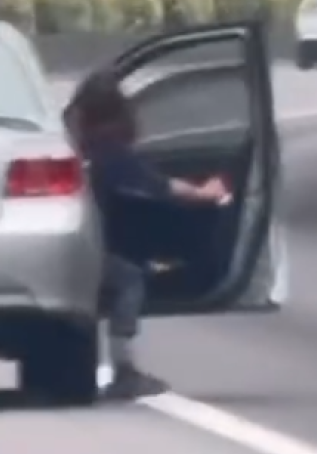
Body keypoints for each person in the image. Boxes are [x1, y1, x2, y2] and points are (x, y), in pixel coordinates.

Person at [69, 72, 229, 400]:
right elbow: (160, 188)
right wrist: (204, 193)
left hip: (74, 244)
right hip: (93, 251)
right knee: (129, 279)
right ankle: (123, 369)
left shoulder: (82, 150)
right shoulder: (112, 155)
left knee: (126, 264)